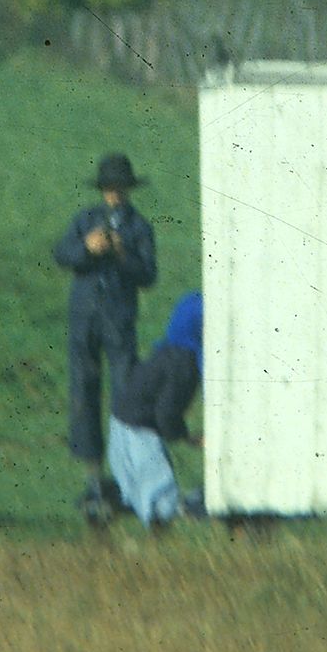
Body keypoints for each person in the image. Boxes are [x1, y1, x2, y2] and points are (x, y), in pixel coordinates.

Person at [51, 151, 156, 517]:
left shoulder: (140, 228)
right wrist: (87, 248)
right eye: (110, 189)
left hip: (119, 321)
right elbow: (62, 254)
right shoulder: (85, 220)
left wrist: (123, 254)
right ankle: (94, 479)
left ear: (128, 190)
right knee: (84, 391)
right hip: (84, 321)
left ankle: (128, 477)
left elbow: (148, 275)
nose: (115, 194)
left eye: (120, 189)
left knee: (126, 394)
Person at [107, 290, 204, 528]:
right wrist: (185, 437)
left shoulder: (167, 351)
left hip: (120, 421)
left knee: (136, 490)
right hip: (140, 429)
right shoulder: (185, 364)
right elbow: (166, 412)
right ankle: (165, 528)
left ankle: (103, 503)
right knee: (160, 490)